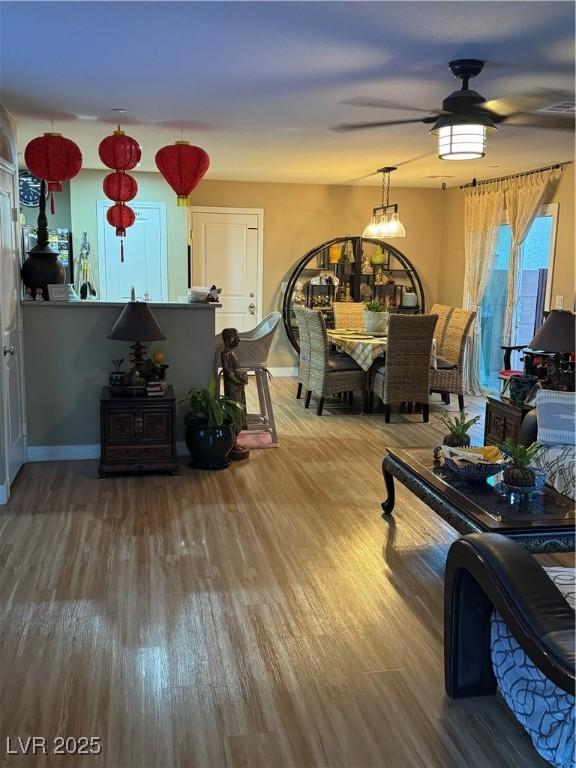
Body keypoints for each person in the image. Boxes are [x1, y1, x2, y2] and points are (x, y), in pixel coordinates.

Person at [220, 327, 250, 461]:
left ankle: (235, 441)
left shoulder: (232, 353)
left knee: (240, 410)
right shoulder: (226, 354)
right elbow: (228, 372)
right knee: (235, 411)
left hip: (238, 387)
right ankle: (233, 443)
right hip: (233, 387)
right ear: (228, 339)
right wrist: (238, 380)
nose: (238, 339)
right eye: (236, 337)